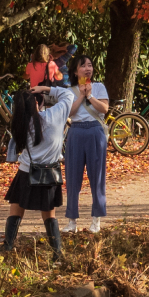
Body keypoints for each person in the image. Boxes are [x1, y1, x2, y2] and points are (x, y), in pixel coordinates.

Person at [2, 80, 77, 263]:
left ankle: (7, 248)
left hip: (26, 171)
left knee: (16, 211)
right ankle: (57, 254)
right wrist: (45, 88)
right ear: (37, 103)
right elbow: (68, 95)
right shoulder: (54, 116)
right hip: (49, 173)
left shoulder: (20, 123)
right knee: (49, 216)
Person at [63, 55, 109, 234]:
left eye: (90, 65)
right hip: (75, 131)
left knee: (96, 176)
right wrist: (81, 94)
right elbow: (69, 112)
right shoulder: (69, 91)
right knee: (73, 178)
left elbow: (104, 109)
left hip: (95, 131)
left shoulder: (99, 87)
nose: (87, 68)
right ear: (75, 71)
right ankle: (71, 220)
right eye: (83, 66)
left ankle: (96, 220)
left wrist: (89, 95)